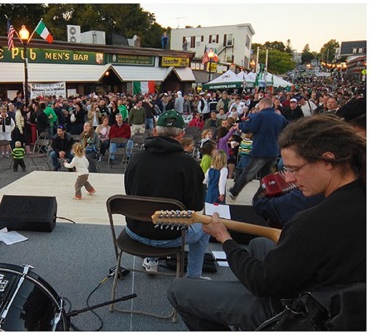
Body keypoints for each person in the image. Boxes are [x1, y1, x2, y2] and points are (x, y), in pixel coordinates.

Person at [167, 114, 366, 331]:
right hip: (348, 304)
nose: (288, 179)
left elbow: (262, 282)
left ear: (328, 160)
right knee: (258, 245)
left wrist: (225, 238)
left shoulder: (311, 223)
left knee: (179, 290)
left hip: (306, 312)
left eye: (294, 169)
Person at [124, 110, 210, 279]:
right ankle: (194, 278)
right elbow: (196, 205)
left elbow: (130, 194)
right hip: (171, 236)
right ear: (181, 135)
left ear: (155, 131)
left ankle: (151, 261)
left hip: (135, 231)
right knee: (205, 228)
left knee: (150, 211)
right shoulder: (189, 165)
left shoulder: (136, 159)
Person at [228, 97, 289, 200]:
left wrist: (240, 126)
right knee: (266, 175)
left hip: (260, 150)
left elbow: (249, 127)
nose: (259, 108)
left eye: (260, 106)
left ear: (264, 105)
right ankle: (264, 195)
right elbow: (288, 128)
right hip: (273, 151)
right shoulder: (280, 118)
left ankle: (234, 191)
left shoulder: (260, 116)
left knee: (248, 172)